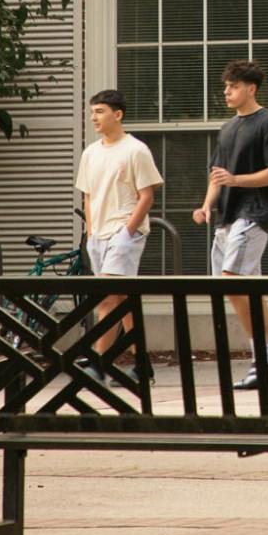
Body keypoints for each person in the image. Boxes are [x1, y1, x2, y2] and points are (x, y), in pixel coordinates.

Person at [191, 60, 268, 388]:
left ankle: (262, 359)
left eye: (233, 86)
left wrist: (237, 179)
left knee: (231, 281)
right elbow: (217, 174)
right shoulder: (228, 128)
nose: (227, 92)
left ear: (251, 89)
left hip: (255, 213)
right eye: (226, 86)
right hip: (226, 218)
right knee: (245, 289)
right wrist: (206, 206)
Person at [77, 89, 161, 383]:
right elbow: (87, 195)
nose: (94, 118)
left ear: (118, 114)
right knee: (122, 299)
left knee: (106, 298)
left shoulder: (135, 149)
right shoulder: (90, 153)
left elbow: (147, 195)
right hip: (98, 234)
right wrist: (90, 230)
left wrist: (127, 231)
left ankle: (99, 362)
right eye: (92, 112)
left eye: (99, 111)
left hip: (125, 231)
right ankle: (143, 365)